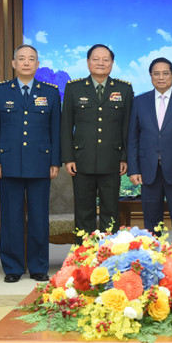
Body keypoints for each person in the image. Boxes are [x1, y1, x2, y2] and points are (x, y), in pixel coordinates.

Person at [0, 45, 60, 283]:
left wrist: (54, 161)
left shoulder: (49, 92)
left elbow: (55, 130)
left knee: (39, 217)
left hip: (40, 163)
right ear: (13, 63)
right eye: (21, 59)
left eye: (31, 59)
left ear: (37, 64)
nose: (26, 63)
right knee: (11, 218)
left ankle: (38, 266)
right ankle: (13, 267)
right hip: (8, 163)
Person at [127, 57, 172, 260]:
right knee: (151, 221)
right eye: (156, 73)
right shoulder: (139, 102)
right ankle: (153, 260)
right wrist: (133, 169)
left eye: (165, 73)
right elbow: (132, 138)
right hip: (148, 171)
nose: (161, 77)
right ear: (150, 76)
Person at [61, 44, 134, 237]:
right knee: (84, 212)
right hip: (81, 160)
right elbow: (66, 126)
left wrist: (124, 157)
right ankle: (83, 256)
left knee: (110, 212)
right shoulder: (73, 88)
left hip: (112, 160)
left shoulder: (124, 89)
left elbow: (127, 127)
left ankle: (109, 256)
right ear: (87, 62)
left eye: (105, 59)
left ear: (112, 63)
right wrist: (68, 158)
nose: (100, 63)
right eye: (95, 59)